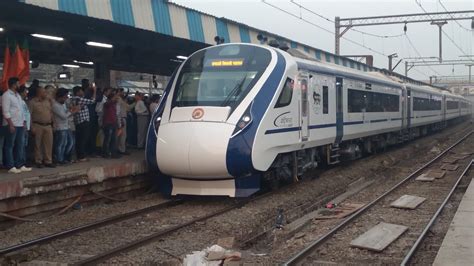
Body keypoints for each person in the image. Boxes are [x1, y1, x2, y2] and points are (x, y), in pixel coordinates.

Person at [2, 77, 30, 173]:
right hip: (11, 124)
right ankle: (10, 166)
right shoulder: (6, 95)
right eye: (18, 83)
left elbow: (21, 111)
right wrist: (10, 124)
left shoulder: (17, 96)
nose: (19, 85)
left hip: (20, 124)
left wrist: (24, 122)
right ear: (14, 84)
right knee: (10, 145)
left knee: (20, 144)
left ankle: (20, 164)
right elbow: (5, 111)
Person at [29, 86, 55, 168]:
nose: (46, 94)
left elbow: (51, 112)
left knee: (48, 144)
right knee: (38, 144)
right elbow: (29, 115)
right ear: (39, 93)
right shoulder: (33, 102)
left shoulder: (48, 101)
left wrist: (53, 123)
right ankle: (38, 161)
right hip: (37, 125)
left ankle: (48, 160)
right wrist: (31, 126)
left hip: (48, 125)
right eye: (44, 92)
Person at [53, 88, 78, 165]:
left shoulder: (63, 104)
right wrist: (72, 111)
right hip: (60, 127)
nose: (66, 99)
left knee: (70, 143)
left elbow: (66, 112)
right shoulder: (55, 105)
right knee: (61, 144)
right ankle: (59, 159)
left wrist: (70, 110)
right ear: (59, 97)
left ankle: (64, 157)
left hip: (66, 126)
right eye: (64, 97)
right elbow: (63, 116)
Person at [71, 86, 96, 161]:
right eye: (82, 91)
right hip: (83, 121)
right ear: (78, 92)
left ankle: (80, 155)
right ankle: (81, 156)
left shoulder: (73, 99)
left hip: (78, 122)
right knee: (83, 139)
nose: (83, 92)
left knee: (79, 139)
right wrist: (94, 91)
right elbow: (92, 101)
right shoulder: (79, 99)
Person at [102, 92, 121, 158]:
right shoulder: (106, 104)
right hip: (108, 123)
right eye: (114, 97)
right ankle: (105, 153)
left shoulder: (114, 104)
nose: (116, 98)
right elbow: (108, 103)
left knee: (114, 139)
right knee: (107, 139)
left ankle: (113, 153)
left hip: (113, 123)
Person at [18, 86, 31, 167]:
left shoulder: (23, 101)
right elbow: (22, 114)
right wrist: (25, 124)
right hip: (23, 126)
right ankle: (21, 161)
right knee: (21, 145)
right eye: (26, 91)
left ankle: (23, 160)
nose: (27, 93)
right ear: (22, 92)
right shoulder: (19, 101)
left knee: (24, 145)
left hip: (26, 126)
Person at [117, 89, 130, 155]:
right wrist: (120, 119)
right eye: (122, 92)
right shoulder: (119, 99)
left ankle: (120, 148)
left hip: (121, 118)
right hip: (121, 118)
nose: (123, 93)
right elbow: (118, 111)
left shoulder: (120, 99)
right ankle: (122, 149)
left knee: (121, 135)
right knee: (123, 135)